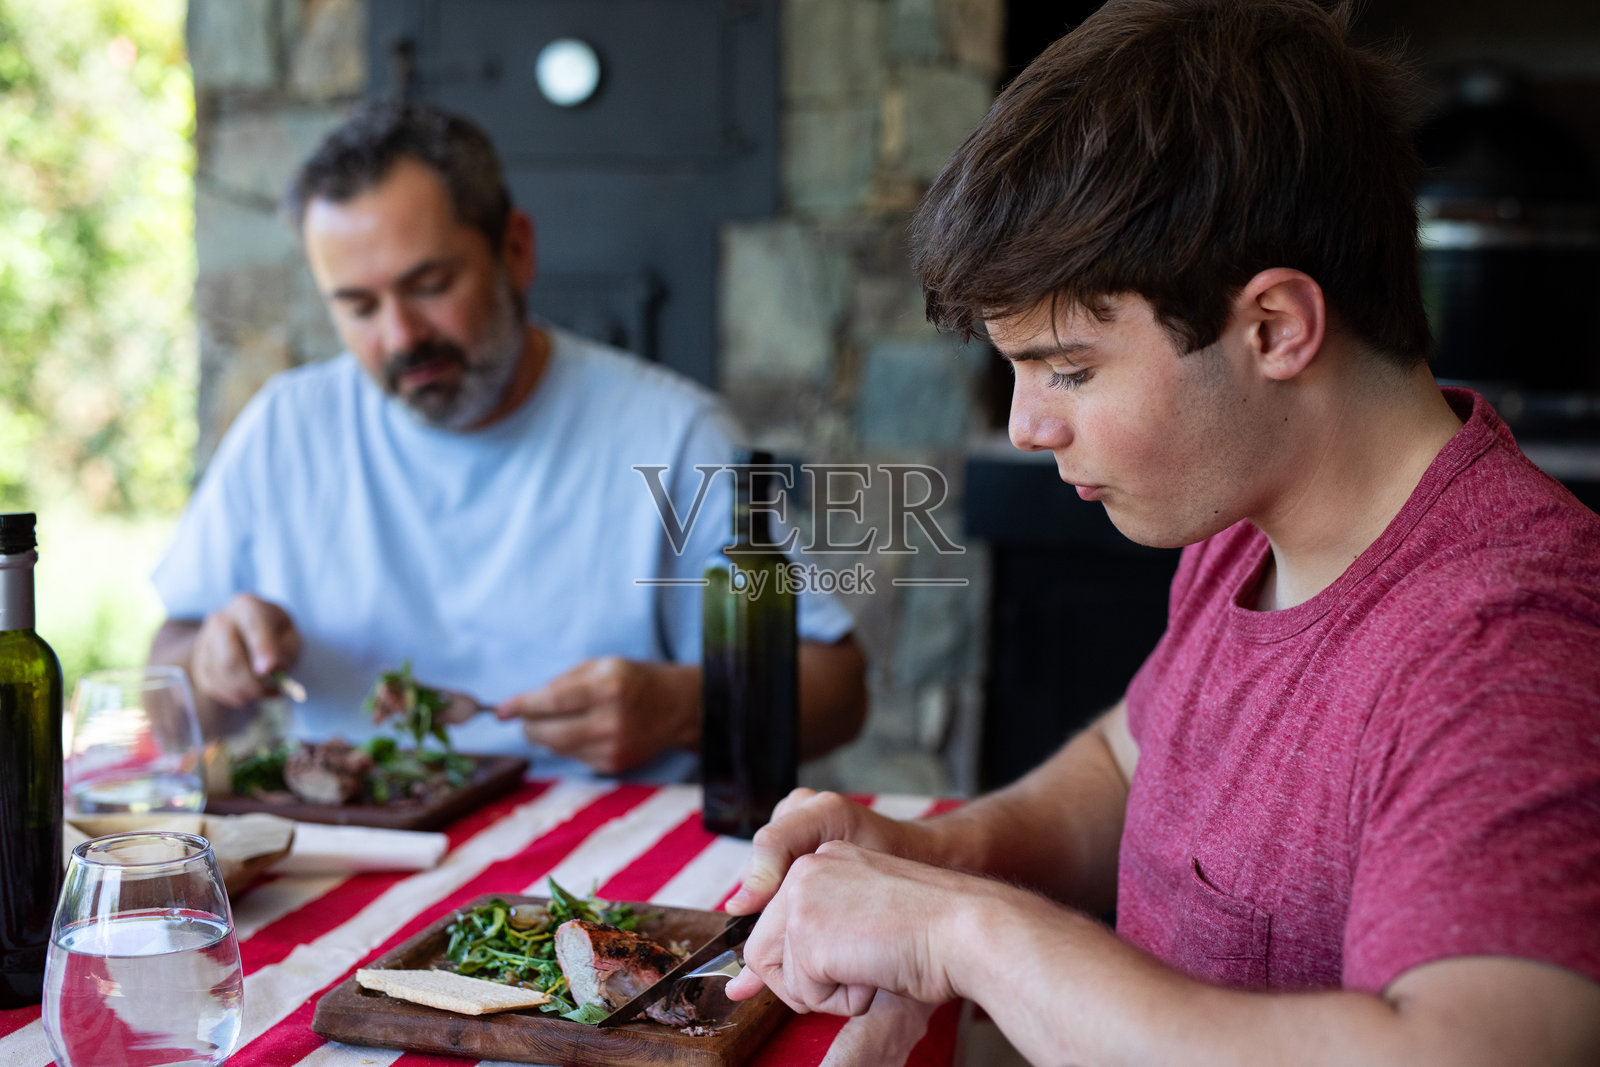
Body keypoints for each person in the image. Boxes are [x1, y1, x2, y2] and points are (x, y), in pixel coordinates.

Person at [721, 1, 1600, 1062]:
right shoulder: (1249, 519)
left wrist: (961, 930)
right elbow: (1135, 759)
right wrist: (932, 854)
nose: (1025, 424)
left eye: (1068, 367)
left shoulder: (1510, 644)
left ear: (1272, 327)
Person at [149, 100, 867, 780]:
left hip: (602, 866)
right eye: (359, 307)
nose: (400, 337)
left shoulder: (674, 436)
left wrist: (682, 706)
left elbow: (838, 689)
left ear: (515, 250)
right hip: (353, 833)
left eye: (430, 284)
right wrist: (211, 665)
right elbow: (166, 683)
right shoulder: (286, 429)